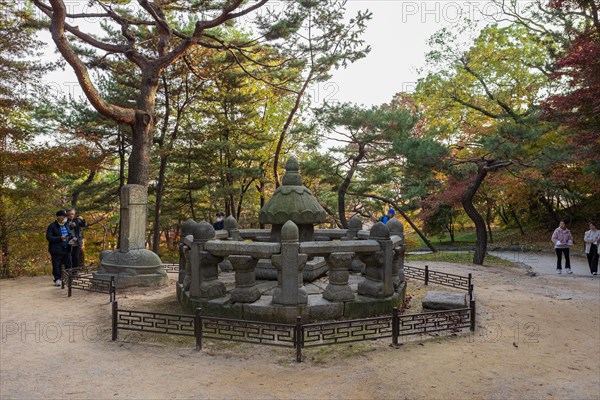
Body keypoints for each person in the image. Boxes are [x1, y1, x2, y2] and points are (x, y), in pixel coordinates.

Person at [46, 210, 73, 286]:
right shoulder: (52, 226)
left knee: (68, 264)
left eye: (65, 216)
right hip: (56, 249)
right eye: (63, 216)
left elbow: (69, 234)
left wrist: (73, 238)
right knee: (57, 265)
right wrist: (60, 238)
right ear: (58, 217)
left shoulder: (66, 224)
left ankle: (68, 279)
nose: (64, 218)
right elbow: (49, 237)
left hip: (67, 248)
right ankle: (57, 279)